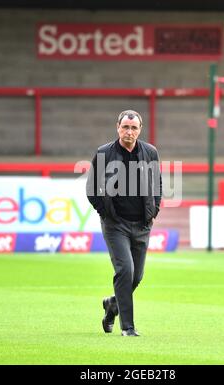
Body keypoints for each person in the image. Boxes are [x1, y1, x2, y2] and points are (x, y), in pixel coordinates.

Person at [86, 109, 162, 337]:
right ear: (117, 127)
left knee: (136, 276)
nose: (129, 132)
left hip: (142, 225)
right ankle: (127, 327)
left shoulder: (150, 152)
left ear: (140, 130)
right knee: (125, 270)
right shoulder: (104, 153)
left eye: (134, 128)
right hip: (115, 225)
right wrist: (105, 213)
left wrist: (154, 210)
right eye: (125, 127)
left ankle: (112, 305)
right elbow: (91, 189)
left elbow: (157, 184)